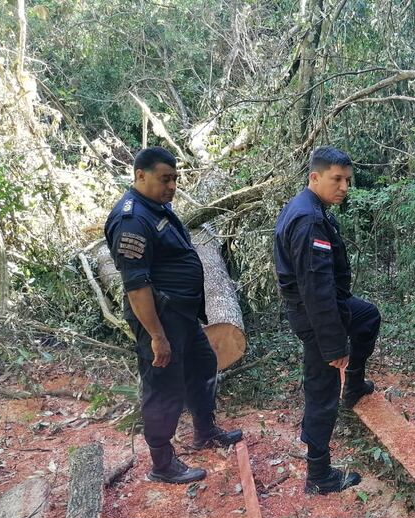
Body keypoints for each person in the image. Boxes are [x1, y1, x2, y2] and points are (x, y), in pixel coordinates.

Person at [104, 146, 243, 484]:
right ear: (140, 176)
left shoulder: (156, 207)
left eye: (175, 179)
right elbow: (137, 287)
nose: (172, 186)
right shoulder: (132, 220)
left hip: (180, 315)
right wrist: (157, 336)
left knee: (203, 363)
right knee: (163, 386)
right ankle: (162, 464)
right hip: (160, 321)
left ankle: (204, 431)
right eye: (164, 179)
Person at [274, 146, 381, 495]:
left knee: (368, 317)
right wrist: (334, 345)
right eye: (337, 179)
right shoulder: (308, 219)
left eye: (348, 181)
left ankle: (353, 385)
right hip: (316, 315)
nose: (344, 187)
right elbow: (315, 290)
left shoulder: (314, 207)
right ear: (314, 177)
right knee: (321, 392)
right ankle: (319, 475)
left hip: (331, 304)